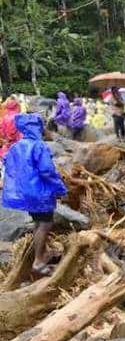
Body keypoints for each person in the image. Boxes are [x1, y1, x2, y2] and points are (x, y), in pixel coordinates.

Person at [2, 114, 68, 274]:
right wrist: (60, 188)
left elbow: (8, 163)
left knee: (38, 222)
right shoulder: (38, 146)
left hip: (25, 192)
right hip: (40, 191)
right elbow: (46, 170)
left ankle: (42, 253)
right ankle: (38, 261)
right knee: (45, 224)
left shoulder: (17, 146)